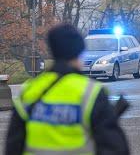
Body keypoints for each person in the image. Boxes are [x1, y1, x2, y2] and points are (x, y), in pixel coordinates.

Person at [5, 24, 130, 155]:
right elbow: (116, 148)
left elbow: (13, 144)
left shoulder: (29, 89)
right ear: (80, 52)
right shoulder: (91, 92)